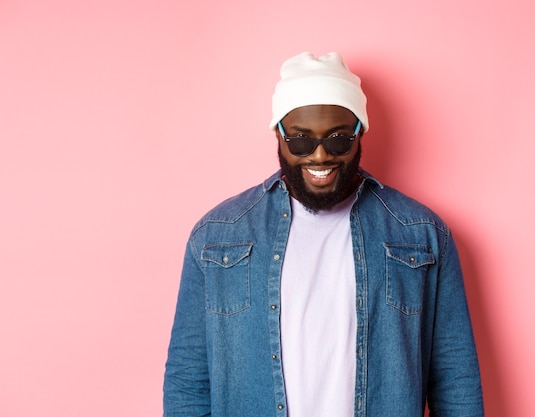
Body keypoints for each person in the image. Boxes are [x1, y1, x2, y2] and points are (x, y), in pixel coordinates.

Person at [163, 51, 484, 417]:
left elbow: (455, 378)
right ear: (279, 135)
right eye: (300, 140)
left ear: (359, 133)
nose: (319, 156)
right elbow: (188, 381)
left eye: (337, 140)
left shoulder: (422, 234)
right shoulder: (217, 236)